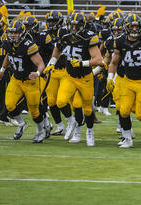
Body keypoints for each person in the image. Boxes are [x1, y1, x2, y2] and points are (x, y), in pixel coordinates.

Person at [44, 12, 104, 147]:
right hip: (69, 76)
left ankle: (89, 132)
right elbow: (57, 49)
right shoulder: (64, 33)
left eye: (77, 26)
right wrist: (51, 63)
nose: (74, 28)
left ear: (83, 26)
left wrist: (82, 63)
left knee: (87, 109)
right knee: (60, 101)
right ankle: (73, 124)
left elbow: (98, 60)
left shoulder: (88, 37)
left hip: (85, 78)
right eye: (72, 25)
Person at [107, 14, 141, 148]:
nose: (135, 29)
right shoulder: (120, 41)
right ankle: (127, 138)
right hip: (127, 80)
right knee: (123, 110)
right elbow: (113, 62)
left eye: (137, 26)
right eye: (132, 26)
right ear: (127, 27)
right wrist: (110, 78)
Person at [0, 20, 44, 142]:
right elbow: (9, 56)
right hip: (16, 79)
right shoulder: (7, 43)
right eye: (11, 32)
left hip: (30, 81)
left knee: (34, 111)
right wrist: (2, 69)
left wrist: (37, 73)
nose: (12, 35)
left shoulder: (29, 45)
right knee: (10, 105)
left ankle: (40, 130)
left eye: (15, 32)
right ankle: (22, 124)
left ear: (21, 33)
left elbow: (41, 64)